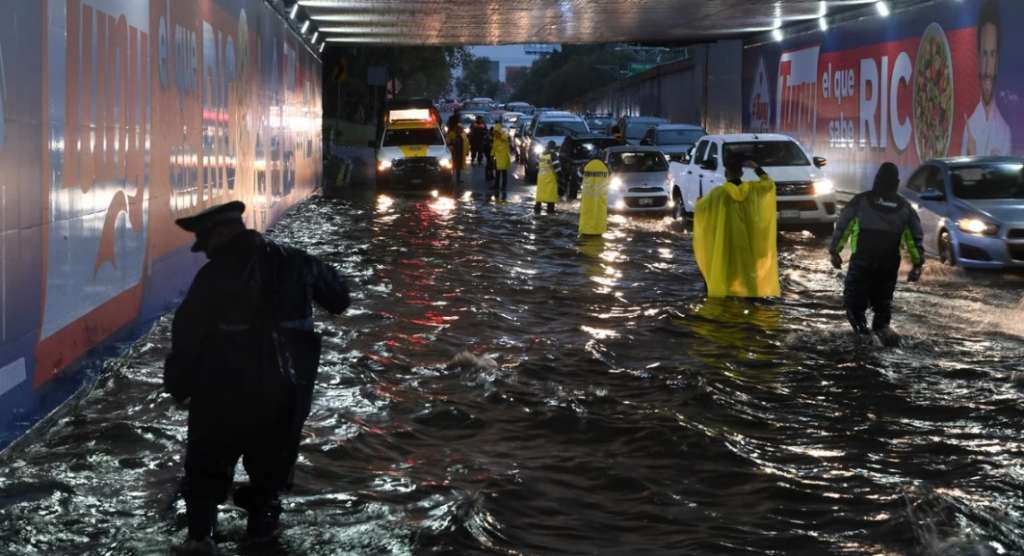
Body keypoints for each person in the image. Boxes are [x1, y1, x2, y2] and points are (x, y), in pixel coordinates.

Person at [164, 201, 349, 551]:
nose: (205, 252)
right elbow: (340, 298)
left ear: (221, 233)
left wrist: (179, 386)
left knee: (203, 483)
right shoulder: (296, 262)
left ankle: (201, 540)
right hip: (284, 400)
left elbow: (186, 337)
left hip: (221, 400)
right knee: (268, 487)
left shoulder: (212, 277)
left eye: (206, 242)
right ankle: (261, 540)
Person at [829, 162, 924, 345]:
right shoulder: (905, 208)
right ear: (896, 183)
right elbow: (914, 238)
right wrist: (917, 264)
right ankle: (884, 338)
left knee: (854, 304)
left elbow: (843, 226)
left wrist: (835, 251)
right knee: (882, 306)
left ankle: (864, 338)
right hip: (888, 266)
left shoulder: (861, 201)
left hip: (862, 261)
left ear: (877, 180)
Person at [692, 157, 779, 298]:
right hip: (748, 242)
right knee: (748, 274)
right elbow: (769, 184)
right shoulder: (753, 190)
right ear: (742, 173)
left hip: (726, 243)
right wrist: (756, 167)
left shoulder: (718, 194)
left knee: (727, 272)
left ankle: (727, 299)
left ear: (726, 173)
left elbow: (701, 208)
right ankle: (751, 298)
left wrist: (699, 202)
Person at [963, 0, 1009, 156]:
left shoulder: (1004, 132)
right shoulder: (968, 127)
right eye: (984, 53)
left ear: (997, 61)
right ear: (977, 58)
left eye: (992, 54)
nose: (987, 68)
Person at [578, 158, 610, 235]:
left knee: (587, 213)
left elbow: (578, 176)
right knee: (600, 213)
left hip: (587, 196)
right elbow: (611, 176)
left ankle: (586, 230)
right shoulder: (606, 166)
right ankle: (598, 230)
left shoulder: (586, 165)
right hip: (601, 196)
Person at [535, 140, 560, 214]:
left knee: (540, 195)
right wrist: (561, 177)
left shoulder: (540, 154)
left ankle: (537, 209)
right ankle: (550, 212)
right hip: (550, 179)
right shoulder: (553, 155)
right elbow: (557, 168)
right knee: (550, 197)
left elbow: (537, 166)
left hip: (541, 179)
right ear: (554, 147)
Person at [491, 123, 512, 202]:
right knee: (497, 172)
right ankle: (496, 185)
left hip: (503, 157)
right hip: (498, 157)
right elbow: (494, 146)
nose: (495, 134)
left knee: (503, 171)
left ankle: (503, 185)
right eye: (495, 132)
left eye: (496, 132)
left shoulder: (503, 135)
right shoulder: (495, 138)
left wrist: (500, 135)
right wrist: (492, 154)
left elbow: (506, 139)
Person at [446, 122, 469, 189]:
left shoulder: (462, 135)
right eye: (460, 129)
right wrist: (451, 145)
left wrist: (466, 152)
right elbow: (448, 143)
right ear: (457, 129)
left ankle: (458, 179)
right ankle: (450, 179)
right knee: (451, 167)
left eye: (461, 129)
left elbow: (466, 143)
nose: (461, 130)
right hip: (453, 154)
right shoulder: (452, 134)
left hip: (460, 154)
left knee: (458, 168)